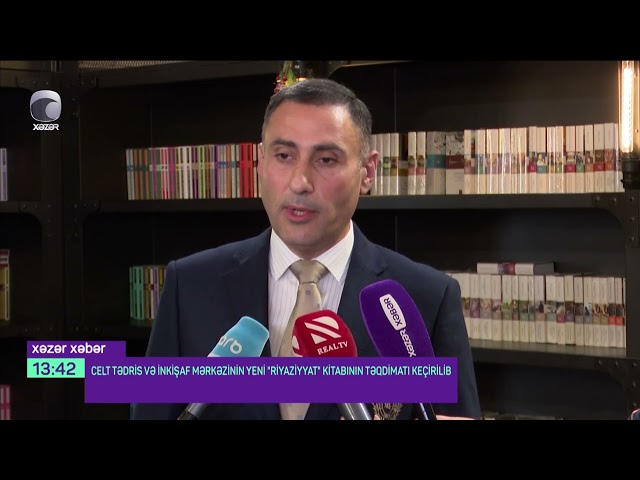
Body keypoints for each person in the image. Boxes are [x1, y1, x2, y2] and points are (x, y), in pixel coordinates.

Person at [130, 78, 481, 420]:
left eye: (326, 159)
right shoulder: (189, 286)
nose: (300, 182)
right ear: (261, 162)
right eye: (284, 155)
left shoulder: (426, 299)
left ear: (367, 171)